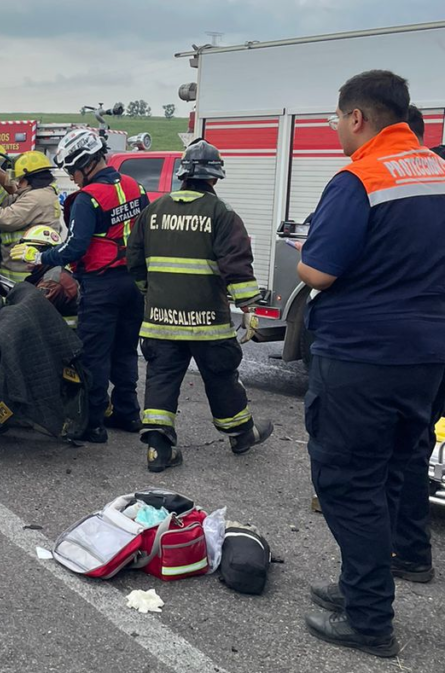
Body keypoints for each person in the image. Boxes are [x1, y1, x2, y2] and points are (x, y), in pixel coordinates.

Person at [297, 70, 445, 659]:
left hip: (363, 356)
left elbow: (317, 271)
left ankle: (368, 621)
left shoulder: (359, 177)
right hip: (428, 359)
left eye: (336, 118)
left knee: (346, 483)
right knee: (386, 476)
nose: (336, 129)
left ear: (357, 118)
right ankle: (361, 585)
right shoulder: (438, 170)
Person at [126, 139, 273, 472]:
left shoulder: (153, 210)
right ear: (215, 177)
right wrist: (249, 308)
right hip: (209, 322)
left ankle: (159, 451)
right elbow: (236, 264)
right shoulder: (221, 214)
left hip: (160, 320)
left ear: (182, 175)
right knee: (221, 376)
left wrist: (149, 290)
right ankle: (241, 435)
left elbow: (134, 258)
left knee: (161, 377)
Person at [13, 129, 147, 443]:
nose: (72, 178)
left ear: (85, 164)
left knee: (95, 356)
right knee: (125, 352)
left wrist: (41, 255)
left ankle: (93, 423)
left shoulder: (87, 199)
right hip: (135, 284)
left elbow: (75, 248)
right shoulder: (134, 187)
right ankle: (129, 414)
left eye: (72, 170)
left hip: (102, 285)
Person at [0, 150, 61, 282]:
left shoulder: (36, 198)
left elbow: (5, 218)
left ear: (31, 179)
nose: (17, 184)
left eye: (20, 180)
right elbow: (7, 201)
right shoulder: (37, 193)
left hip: (25, 277)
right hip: (16, 272)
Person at [18, 225, 79, 325]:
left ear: (47, 253)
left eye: (32, 251)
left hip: (67, 337)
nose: (25, 258)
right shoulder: (49, 272)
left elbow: (31, 312)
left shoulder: (53, 280)